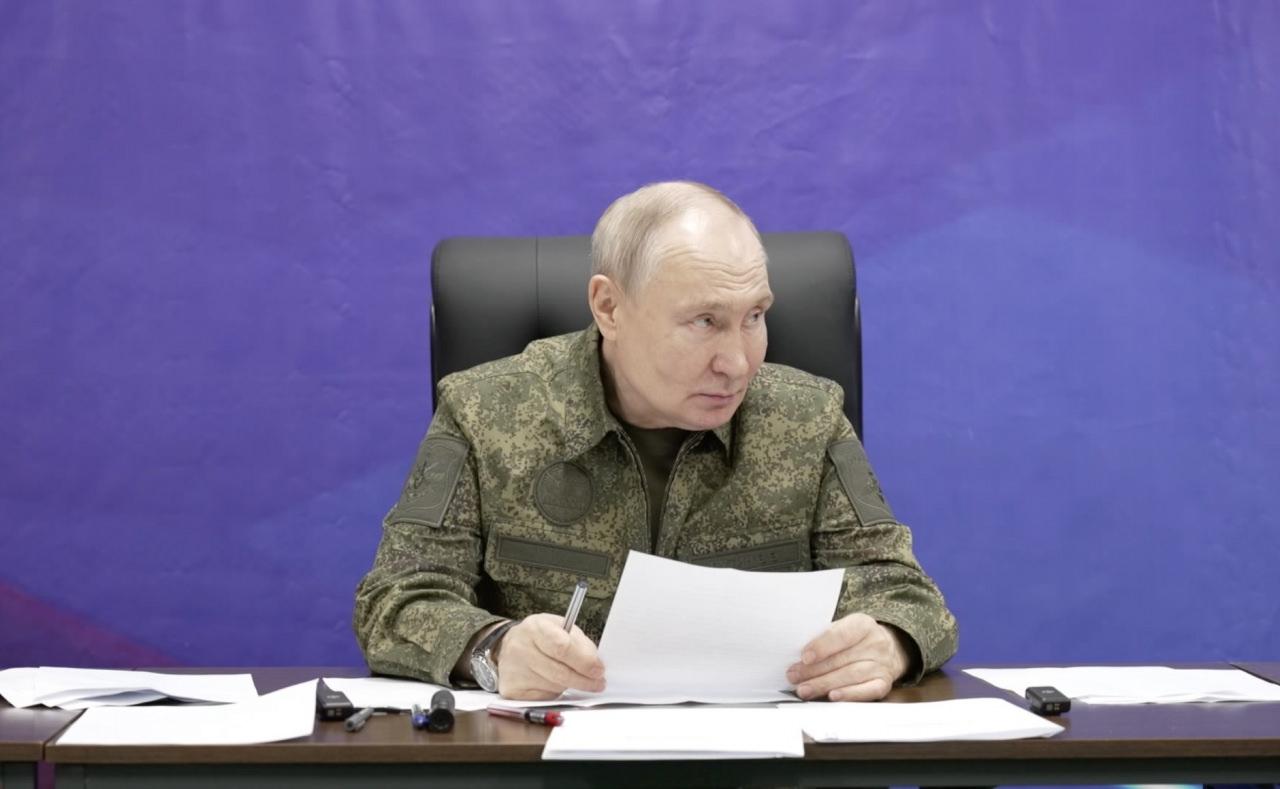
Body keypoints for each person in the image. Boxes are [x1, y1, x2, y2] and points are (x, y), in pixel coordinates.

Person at [354, 181, 957, 701]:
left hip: (755, 767)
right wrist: (494, 650)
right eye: (705, 321)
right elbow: (395, 599)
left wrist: (889, 643)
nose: (738, 363)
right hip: (550, 761)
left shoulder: (808, 419)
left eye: (755, 316)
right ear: (609, 308)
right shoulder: (485, 412)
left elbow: (907, 594)